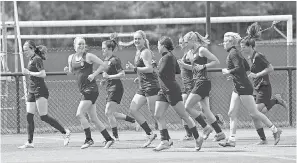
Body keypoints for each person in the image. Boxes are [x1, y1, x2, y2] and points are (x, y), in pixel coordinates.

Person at [219, 32, 282, 147]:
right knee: (232, 113)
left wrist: (229, 71)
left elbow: (239, 67)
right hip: (238, 86)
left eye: (224, 41)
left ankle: (275, 130)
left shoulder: (233, 53)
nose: (223, 43)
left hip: (243, 87)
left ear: (231, 42)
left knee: (254, 113)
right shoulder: (236, 53)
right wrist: (233, 75)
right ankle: (231, 140)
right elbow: (246, 67)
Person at [153, 36, 204, 151]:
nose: (157, 47)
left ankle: (198, 137)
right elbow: (177, 71)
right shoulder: (168, 57)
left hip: (171, 90)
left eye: (158, 45)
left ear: (163, 46)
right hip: (164, 90)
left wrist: (154, 66)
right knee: (158, 114)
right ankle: (164, 141)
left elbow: (159, 73)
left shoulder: (168, 57)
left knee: (184, 115)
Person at [240, 23, 287, 145]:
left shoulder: (259, 56)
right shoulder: (251, 57)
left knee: (255, 112)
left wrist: (257, 75)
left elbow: (271, 68)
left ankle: (274, 131)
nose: (242, 49)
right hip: (256, 88)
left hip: (264, 86)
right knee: (256, 114)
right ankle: (263, 139)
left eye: (243, 47)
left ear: (250, 46)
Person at [64, 37, 114, 149]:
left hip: (91, 89)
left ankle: (89, 139)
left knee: (79, 114)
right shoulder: (70, 58)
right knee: (93, 118)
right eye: (79, 44)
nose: (81, 46)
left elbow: (104, 65)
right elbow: (72, 72)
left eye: (83, 44)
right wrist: (67, 71)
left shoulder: (88, 56)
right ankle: (108, 139)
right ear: (74, 46)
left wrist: (94, 74)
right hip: (83, 90)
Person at [19, 40, 70, 149]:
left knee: (43, 116)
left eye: (26, 50)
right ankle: (30, 142)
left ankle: (65, 132)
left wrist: (29, 72)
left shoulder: (37, 59)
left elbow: (43, 74)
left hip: (40, 90)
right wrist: (28, 91)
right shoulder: (31, 59)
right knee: (29, 116)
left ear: (32, 49)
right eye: (24, 51)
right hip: (32, 91)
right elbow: (32, 79)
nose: (25, 52)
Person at [178, 31, 226, 142]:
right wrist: (184, 65)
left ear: (192, 40)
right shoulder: (190, 52)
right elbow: (194, 68)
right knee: (206, 111)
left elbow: (216, 61)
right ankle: (220, 133)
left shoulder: (201, 50)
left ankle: (205, 127)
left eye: (186, 42)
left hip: (202, 82)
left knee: (187, 107)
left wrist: (204, 66)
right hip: (198, 82)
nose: (185, 44)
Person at [125, 30, 160, 148]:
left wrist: (135, 69)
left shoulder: (145, 52)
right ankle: (150, 134)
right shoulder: (137, 52)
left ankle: (166, 139)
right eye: (135, 38)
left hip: (151, 85)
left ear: (144, 40)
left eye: (139, 38)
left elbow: (149, 69)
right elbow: (143, 70)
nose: (136, 40)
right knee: (133, 109)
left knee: (155, 114)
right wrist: (138, 78)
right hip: (143, 86)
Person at [100, 38, 136, 141]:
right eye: (102, 48)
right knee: (111, 113)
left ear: (110, 49)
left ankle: (115, 137)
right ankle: (133, 121)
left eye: (104, 48)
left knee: (108, 112)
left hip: (116, 88)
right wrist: (104, 81)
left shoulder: (114, 60)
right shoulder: (106, 61)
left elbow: (122, 74)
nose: (102, 50)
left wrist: (109, 77)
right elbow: (108, 75)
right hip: (110, 88)